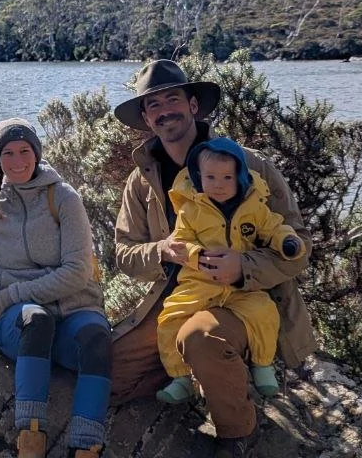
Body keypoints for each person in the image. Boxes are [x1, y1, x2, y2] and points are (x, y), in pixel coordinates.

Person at [106, 59, 315, 458]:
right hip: (179, 296)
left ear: (193, 105)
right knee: (110, 376)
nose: (164, 111)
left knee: (200, 337)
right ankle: (197, 378)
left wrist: (243, 267)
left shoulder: (249, 164)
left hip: (244, 297)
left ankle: (237, 433)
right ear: (146, 119)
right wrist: (161, 250)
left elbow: (298, 244)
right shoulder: (142, 180)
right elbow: (125, 253)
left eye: (173, 99)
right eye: (153, 105)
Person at [0, 119, 110, 458]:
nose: (17, 161)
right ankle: (30, 442)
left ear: (37, 154)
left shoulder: (64, 198)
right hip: (20, 323)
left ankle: (86, 446)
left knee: (97, 338)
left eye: (24, 151)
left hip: (72, 311)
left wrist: (11, 294)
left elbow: (77, 273)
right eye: (7, 153)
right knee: (37, 320)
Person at [155, 137, 306, 404]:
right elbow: (181, 241)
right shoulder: (190, 210)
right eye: (210, 177)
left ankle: (262, 365)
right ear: (199, 177)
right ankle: (180, 377)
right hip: (199, 283)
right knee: (169, 318)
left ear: (240, 176)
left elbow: (274, 227)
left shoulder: (254, 207)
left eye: (227, 177)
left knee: (264, 312)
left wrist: (287, 242)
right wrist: (196, 255)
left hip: (242, 288)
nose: (219, 184)